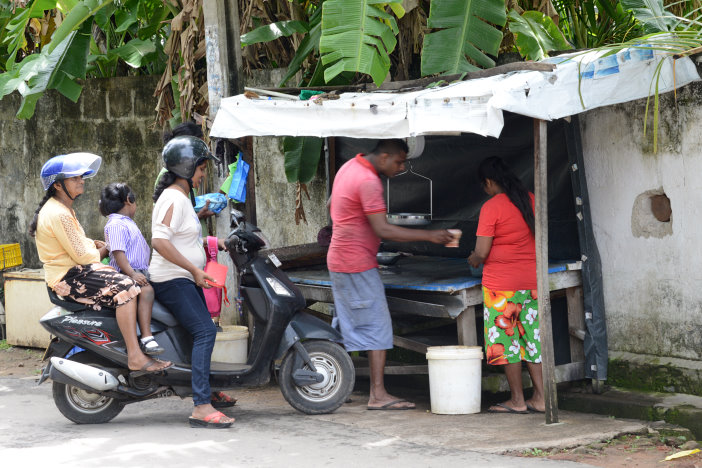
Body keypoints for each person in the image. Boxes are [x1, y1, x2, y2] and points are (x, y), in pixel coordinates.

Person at [327, 139, 454, 410]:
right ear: (384, 157)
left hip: (341, 259)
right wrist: (430, 235)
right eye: (398, 162)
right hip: (356, 263)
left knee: (346, 323)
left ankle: (337, 385)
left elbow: (331, 205)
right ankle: (378, 394)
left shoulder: (348, 167)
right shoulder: (368, 181)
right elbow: (384, 230)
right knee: (377, 326)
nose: (401, 168)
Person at [29, 153, 171, 375]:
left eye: (81, 177)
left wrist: (93, 245)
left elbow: (76, 245)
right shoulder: (59, 213)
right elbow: (84, 257)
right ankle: (135, 355)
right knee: (126, 287)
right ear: (58, 185)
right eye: (75, 178)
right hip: (71, 276)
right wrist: (103, 249)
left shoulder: (61, 209)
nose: (81, 180)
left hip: (74, 272)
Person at [150, 136, 235, 428]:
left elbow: (183, 237)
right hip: (173, 279)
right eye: (201, 170)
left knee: (200, 333)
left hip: (183, 278)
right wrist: (195, 270)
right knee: (205, 333)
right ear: (187, 168)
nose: (202, 175)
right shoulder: (173, 197)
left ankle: (205, 391)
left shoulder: (181, 198)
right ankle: (201, 406)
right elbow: (160, 242)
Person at [467, 156, 544, 414]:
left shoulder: (492, 207)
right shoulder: (531, 199)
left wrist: (474, 259)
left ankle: (517, 401)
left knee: (506, 342)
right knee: (532, 339)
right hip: (532, 283)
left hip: (501, 288)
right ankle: (542, 398)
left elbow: (482, 250)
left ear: (489, 182)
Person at [99, 182, 164, 355]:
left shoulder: (125, 222)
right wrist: (132, 273)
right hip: (126, 273)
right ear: (129, 199)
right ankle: (146, 336)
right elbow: (119, 253)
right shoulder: (115, 224)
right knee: (147, 292)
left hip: (137, 271)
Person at [157, 121, 215, 221]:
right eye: (197, 146)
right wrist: (199, 216)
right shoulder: (173, 186)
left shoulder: (187, 178)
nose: (203, 175)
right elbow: (167, 223)